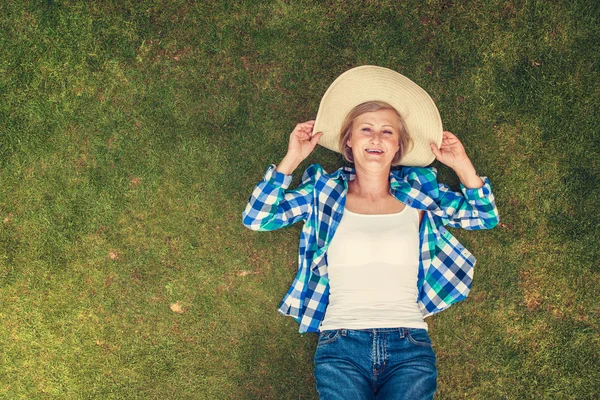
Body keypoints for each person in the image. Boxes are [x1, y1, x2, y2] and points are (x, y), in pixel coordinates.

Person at [242, 66, 499, 399]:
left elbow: (484, 216)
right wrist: (291, 160)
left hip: (410, 346)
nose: (376, 138)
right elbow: (257, 218)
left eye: (387, 132)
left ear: (398, 147)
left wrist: (462, 165)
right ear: (349, 140)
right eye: (366, 129)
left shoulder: (419, 192)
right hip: (340, 345)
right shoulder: (323, 192)